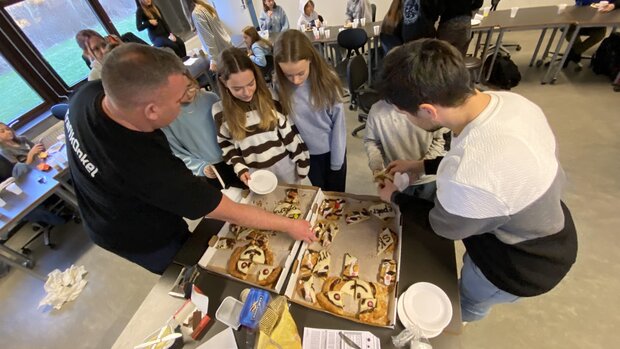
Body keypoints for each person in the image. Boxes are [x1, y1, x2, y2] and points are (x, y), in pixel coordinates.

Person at [65, 43, 315, 274]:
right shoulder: (147, 167)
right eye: (178, 100)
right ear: (151, 110)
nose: (187, 101)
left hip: (109, 201)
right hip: (131, 233)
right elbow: (228, 211)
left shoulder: (88, 94)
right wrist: (289, 225)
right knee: (186, 266)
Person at [376, 39, 577, 322]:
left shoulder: (469, 175)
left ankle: (465, 318)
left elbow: (443, 225)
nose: (406, 119)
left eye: (406, 114)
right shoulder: (511, 102)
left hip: (521, 264)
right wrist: (422, 164)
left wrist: (394, 198)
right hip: (549, 224)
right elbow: (481, 158)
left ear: (428, 111)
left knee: (466, 302)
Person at [214, 47, 310, 186]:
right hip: (257, 175)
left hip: (286, 168)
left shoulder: (271, 97)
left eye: (251, 84)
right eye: (237, 88)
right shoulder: (219, 111)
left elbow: (289, 133)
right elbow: (226, 145)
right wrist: (240, 168)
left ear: (256, 76)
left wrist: (302, 161)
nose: (246, 92)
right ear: (223, 82)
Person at [274, 30, 347, 192]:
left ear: (311, 60)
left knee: (337, 197)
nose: (296, 80)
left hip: (332, 151)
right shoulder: (279, 85)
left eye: (301, 73)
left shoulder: (328, 83)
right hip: (305, 155)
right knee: (318, 194)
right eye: (288, 75)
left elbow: (339, 128)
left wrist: (336, 163)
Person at [161, 73, 243, 189]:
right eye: (180, 92)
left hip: (234, 156)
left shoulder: (210, 98)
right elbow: (177, 152)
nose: (189, 93)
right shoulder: (168, 118)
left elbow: (230, 126)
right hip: (211, 168)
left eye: (189, 86)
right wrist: (200, 167)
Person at [364, 100, 445, 200]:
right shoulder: (377, 110)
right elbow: (371, 141)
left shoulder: (428, 109)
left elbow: (439, 140)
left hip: (427, 178)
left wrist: (418, 170)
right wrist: (378, 169)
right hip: (396, 179)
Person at [563, 1, 618, 67]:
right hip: (578, 18)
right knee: (571, 35)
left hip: (598, 20)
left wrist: (613, 5)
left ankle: (572, 53)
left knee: (599, 35)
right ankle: (575, 53)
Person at [189, 0, 232, 72]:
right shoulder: (206, 5)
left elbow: (209, 38)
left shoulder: (196, 13)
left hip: (221, 55)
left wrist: (213, 61)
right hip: (227, 45)